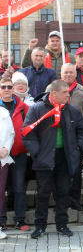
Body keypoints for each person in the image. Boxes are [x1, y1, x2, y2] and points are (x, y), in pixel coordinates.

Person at [22, 80, 83, 239]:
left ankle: (62, 225)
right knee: (43, 193)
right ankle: (40, 226)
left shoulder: (72, 110)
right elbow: (27, 134)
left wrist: (77, 148)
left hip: (65, 157)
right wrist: (38, 153)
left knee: (63, 192)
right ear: (54, 93)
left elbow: (82, 131)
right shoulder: (37, 109)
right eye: (65, 92)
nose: (68, 94)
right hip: (44, 158)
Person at [57, 64, 83, 211]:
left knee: (76, 172)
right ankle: (60, 202)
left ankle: (75, 200)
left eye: (71, 72)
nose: (68, 75)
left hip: (75, 137)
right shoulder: (51, 89)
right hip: (57, 137)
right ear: (61, 74)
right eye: (66, 73)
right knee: (59, 173)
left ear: (75, 74)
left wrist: (80, 142)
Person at [0, 78, 29, 232]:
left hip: (18, 154)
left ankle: (20, 220)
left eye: (9, 87)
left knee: (19, 188)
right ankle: (1, 220)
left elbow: (30, 129)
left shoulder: (24, 108)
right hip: (1, 155)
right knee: (0, 189)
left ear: (13, 89)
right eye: (3, 86)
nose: (6, 89)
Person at [0, 105, 14, 240]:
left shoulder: (4, 112)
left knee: (0, 194)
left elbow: (11, 133)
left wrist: (6, 148)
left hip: (2, 159)